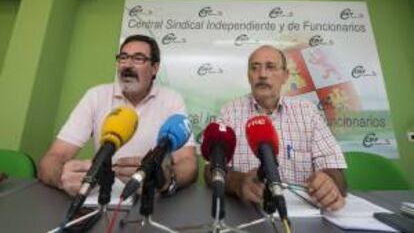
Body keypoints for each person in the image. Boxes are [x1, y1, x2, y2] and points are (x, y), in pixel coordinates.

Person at [38, 34, 197, 196]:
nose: (127, 65)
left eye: (138, 58)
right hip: (101, 196)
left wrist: (163, 178)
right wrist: (61, 179)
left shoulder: (171, 99)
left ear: (154, 68)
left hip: (150, 198)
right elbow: (52, 159)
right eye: (123, 57)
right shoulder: (96, 96)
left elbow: (188, 163)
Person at [205, 45, 347, 211]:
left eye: (270, 67)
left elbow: (333, 168)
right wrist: (239, 183)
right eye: (255, 68)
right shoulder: (230, 111)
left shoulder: (307, 112)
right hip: (247, 213)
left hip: (303, 217)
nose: (263, 74)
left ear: (285, 76)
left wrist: (330, 182)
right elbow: (210, 170)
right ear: (249, 76)